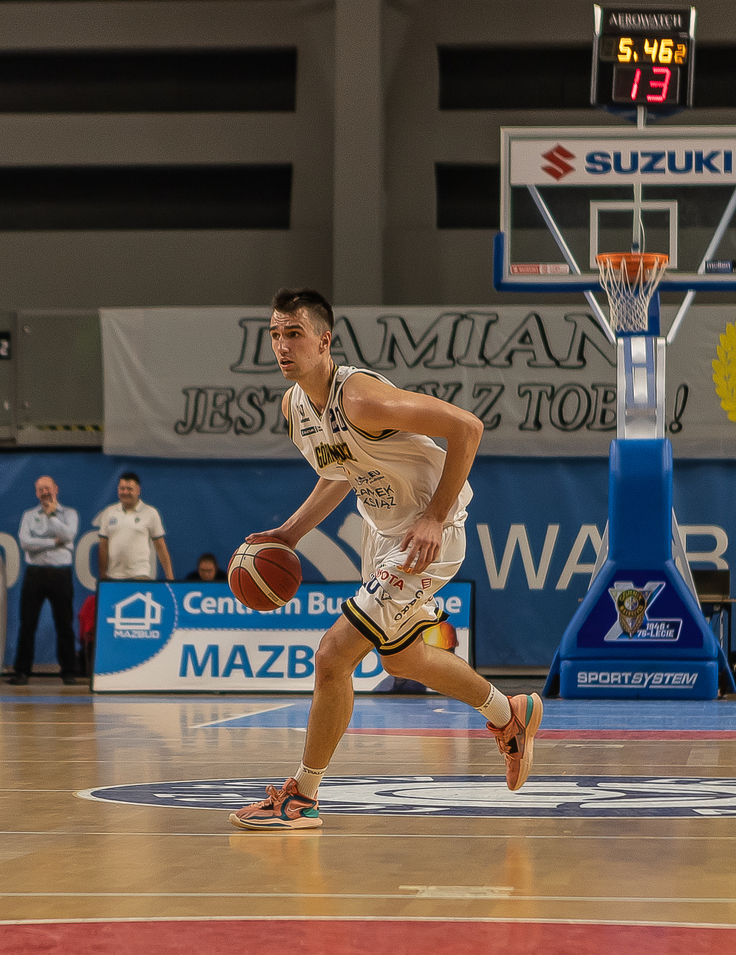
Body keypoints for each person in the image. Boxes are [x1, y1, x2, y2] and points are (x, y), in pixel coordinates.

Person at [229, 288, 541, 833]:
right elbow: (340, 471)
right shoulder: (295, 408)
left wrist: (435, 516)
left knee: (333, 656)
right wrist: (289, 533)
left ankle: (302, 797)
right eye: (275, 334)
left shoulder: (360, 398)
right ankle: (508, 714)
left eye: (294, 334)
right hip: (382, 536)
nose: (281, 345)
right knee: (403, 660)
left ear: (324, 341)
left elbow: (467, 428)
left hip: (427, 536)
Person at [11, 475, 82, 686]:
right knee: (27, 624)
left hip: (60, 574)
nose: (44, 492)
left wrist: (52, 516)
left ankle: (68, 671)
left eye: (47, 488)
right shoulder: (29, 515)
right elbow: (25, 543)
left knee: (64, 624)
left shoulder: (69, 514)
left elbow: (68, 536)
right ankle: (22, 672)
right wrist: (53, 542)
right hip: (35, 573)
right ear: (36, 493)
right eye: (40, 489)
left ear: (56, 489)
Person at [97, 472, 174, 582]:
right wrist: (103, 575)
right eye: (122, 489)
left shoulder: (150, 513)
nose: (125, 492)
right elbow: (103, 547)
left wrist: (170, 577)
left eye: (129, 489)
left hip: (140, 575)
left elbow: (161, 547)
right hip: (114, 576)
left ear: (138, 490)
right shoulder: (109, 512)